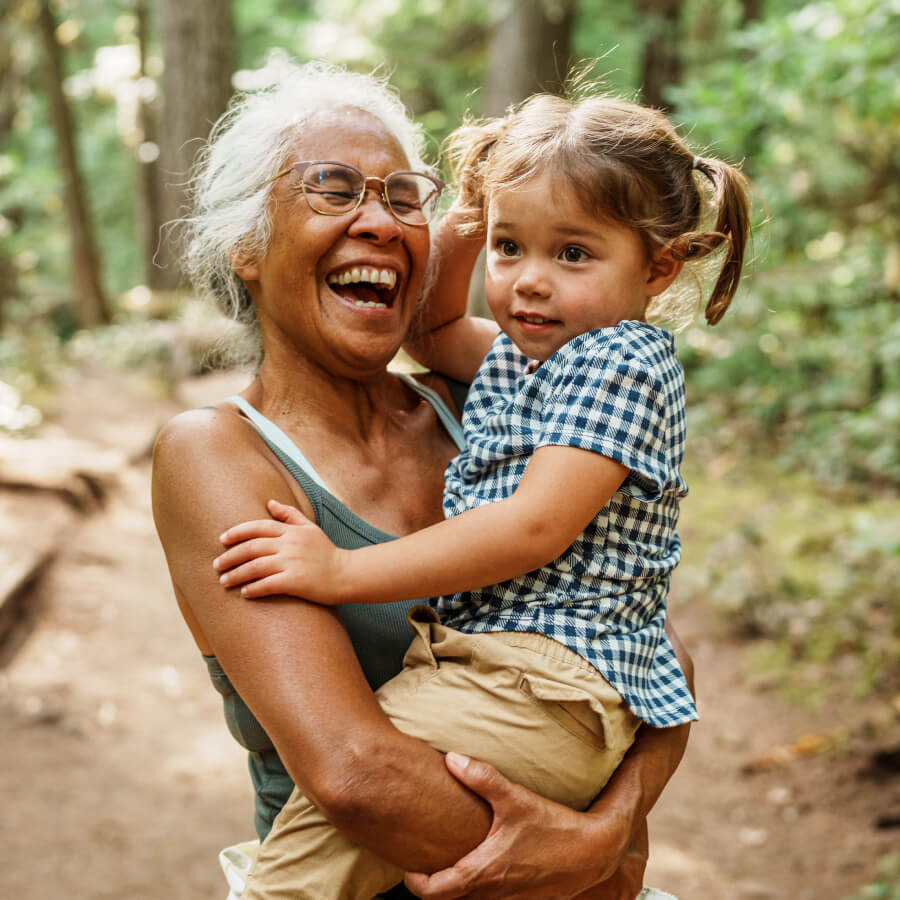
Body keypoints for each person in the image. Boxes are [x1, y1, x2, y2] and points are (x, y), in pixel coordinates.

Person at [152, 58, 694, 900]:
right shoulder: (215, 453)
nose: (378, 221)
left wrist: (609, 831)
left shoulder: (487, 400)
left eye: (404, 199)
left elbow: (660, 655)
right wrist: (591, 869)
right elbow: (356, 777)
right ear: (247, 247)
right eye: (333, 189)